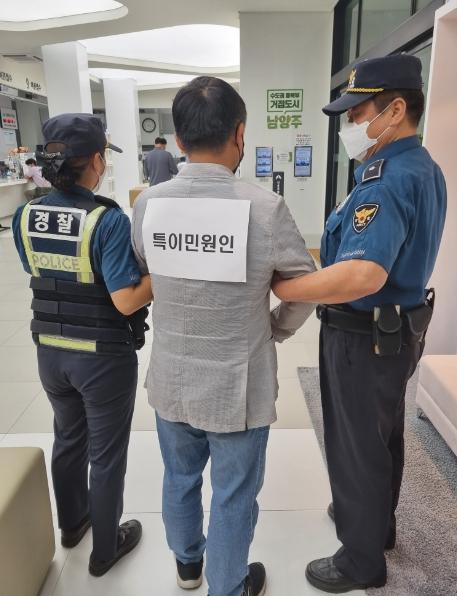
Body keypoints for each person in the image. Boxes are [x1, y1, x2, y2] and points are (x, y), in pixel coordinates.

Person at [131, 76, 316, 596]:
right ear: (239, 133)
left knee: (179, 478)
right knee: (233, 495)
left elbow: (144, 270)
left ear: (179, 139)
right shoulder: (265, 207)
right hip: (239, 384)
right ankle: (228, 587)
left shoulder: (148, 204)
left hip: (172, 378)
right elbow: (304, 287)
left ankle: (188, 566)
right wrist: (275, 329)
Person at [272, 54, 447, 593]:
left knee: (356, 446)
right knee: (381, 434)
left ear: (395, 110)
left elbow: (362, 274)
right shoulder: (422, 167)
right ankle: (376, 525)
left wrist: (287, 288)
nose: (350, 123)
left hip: (363, 335)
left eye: (358, 112)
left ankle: (360, 561)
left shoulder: (386, 180)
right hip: (396, 331)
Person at [12, 113, 153, 577]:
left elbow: (38, 270)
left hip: (50, 352)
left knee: (68, 438)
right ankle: (106, 549)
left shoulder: (25, 215)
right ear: (95, 161)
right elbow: (126, 300)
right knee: (106, 455)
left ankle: (73, 525)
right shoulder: (105, 220)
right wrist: (161, 273)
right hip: (101, 359)